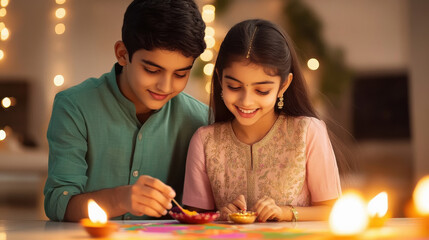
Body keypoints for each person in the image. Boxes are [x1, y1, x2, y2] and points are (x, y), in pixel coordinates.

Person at [44, 0, 207, 222]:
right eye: (151, 70)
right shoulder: (74, 107)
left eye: (180, 74)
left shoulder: (200, 120)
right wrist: (121, 198)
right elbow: (58, 202)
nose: (166, 87)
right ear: (122, 54)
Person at [182, 19, 346, 222]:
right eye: (234, 87)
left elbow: (333, 211)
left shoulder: (307, 132)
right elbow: (194, 219)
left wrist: (285, 212)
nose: (246, 101)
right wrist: (221, 216)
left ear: (284, 85)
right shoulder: (205, 141)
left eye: (262, 90)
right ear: (219, 79)